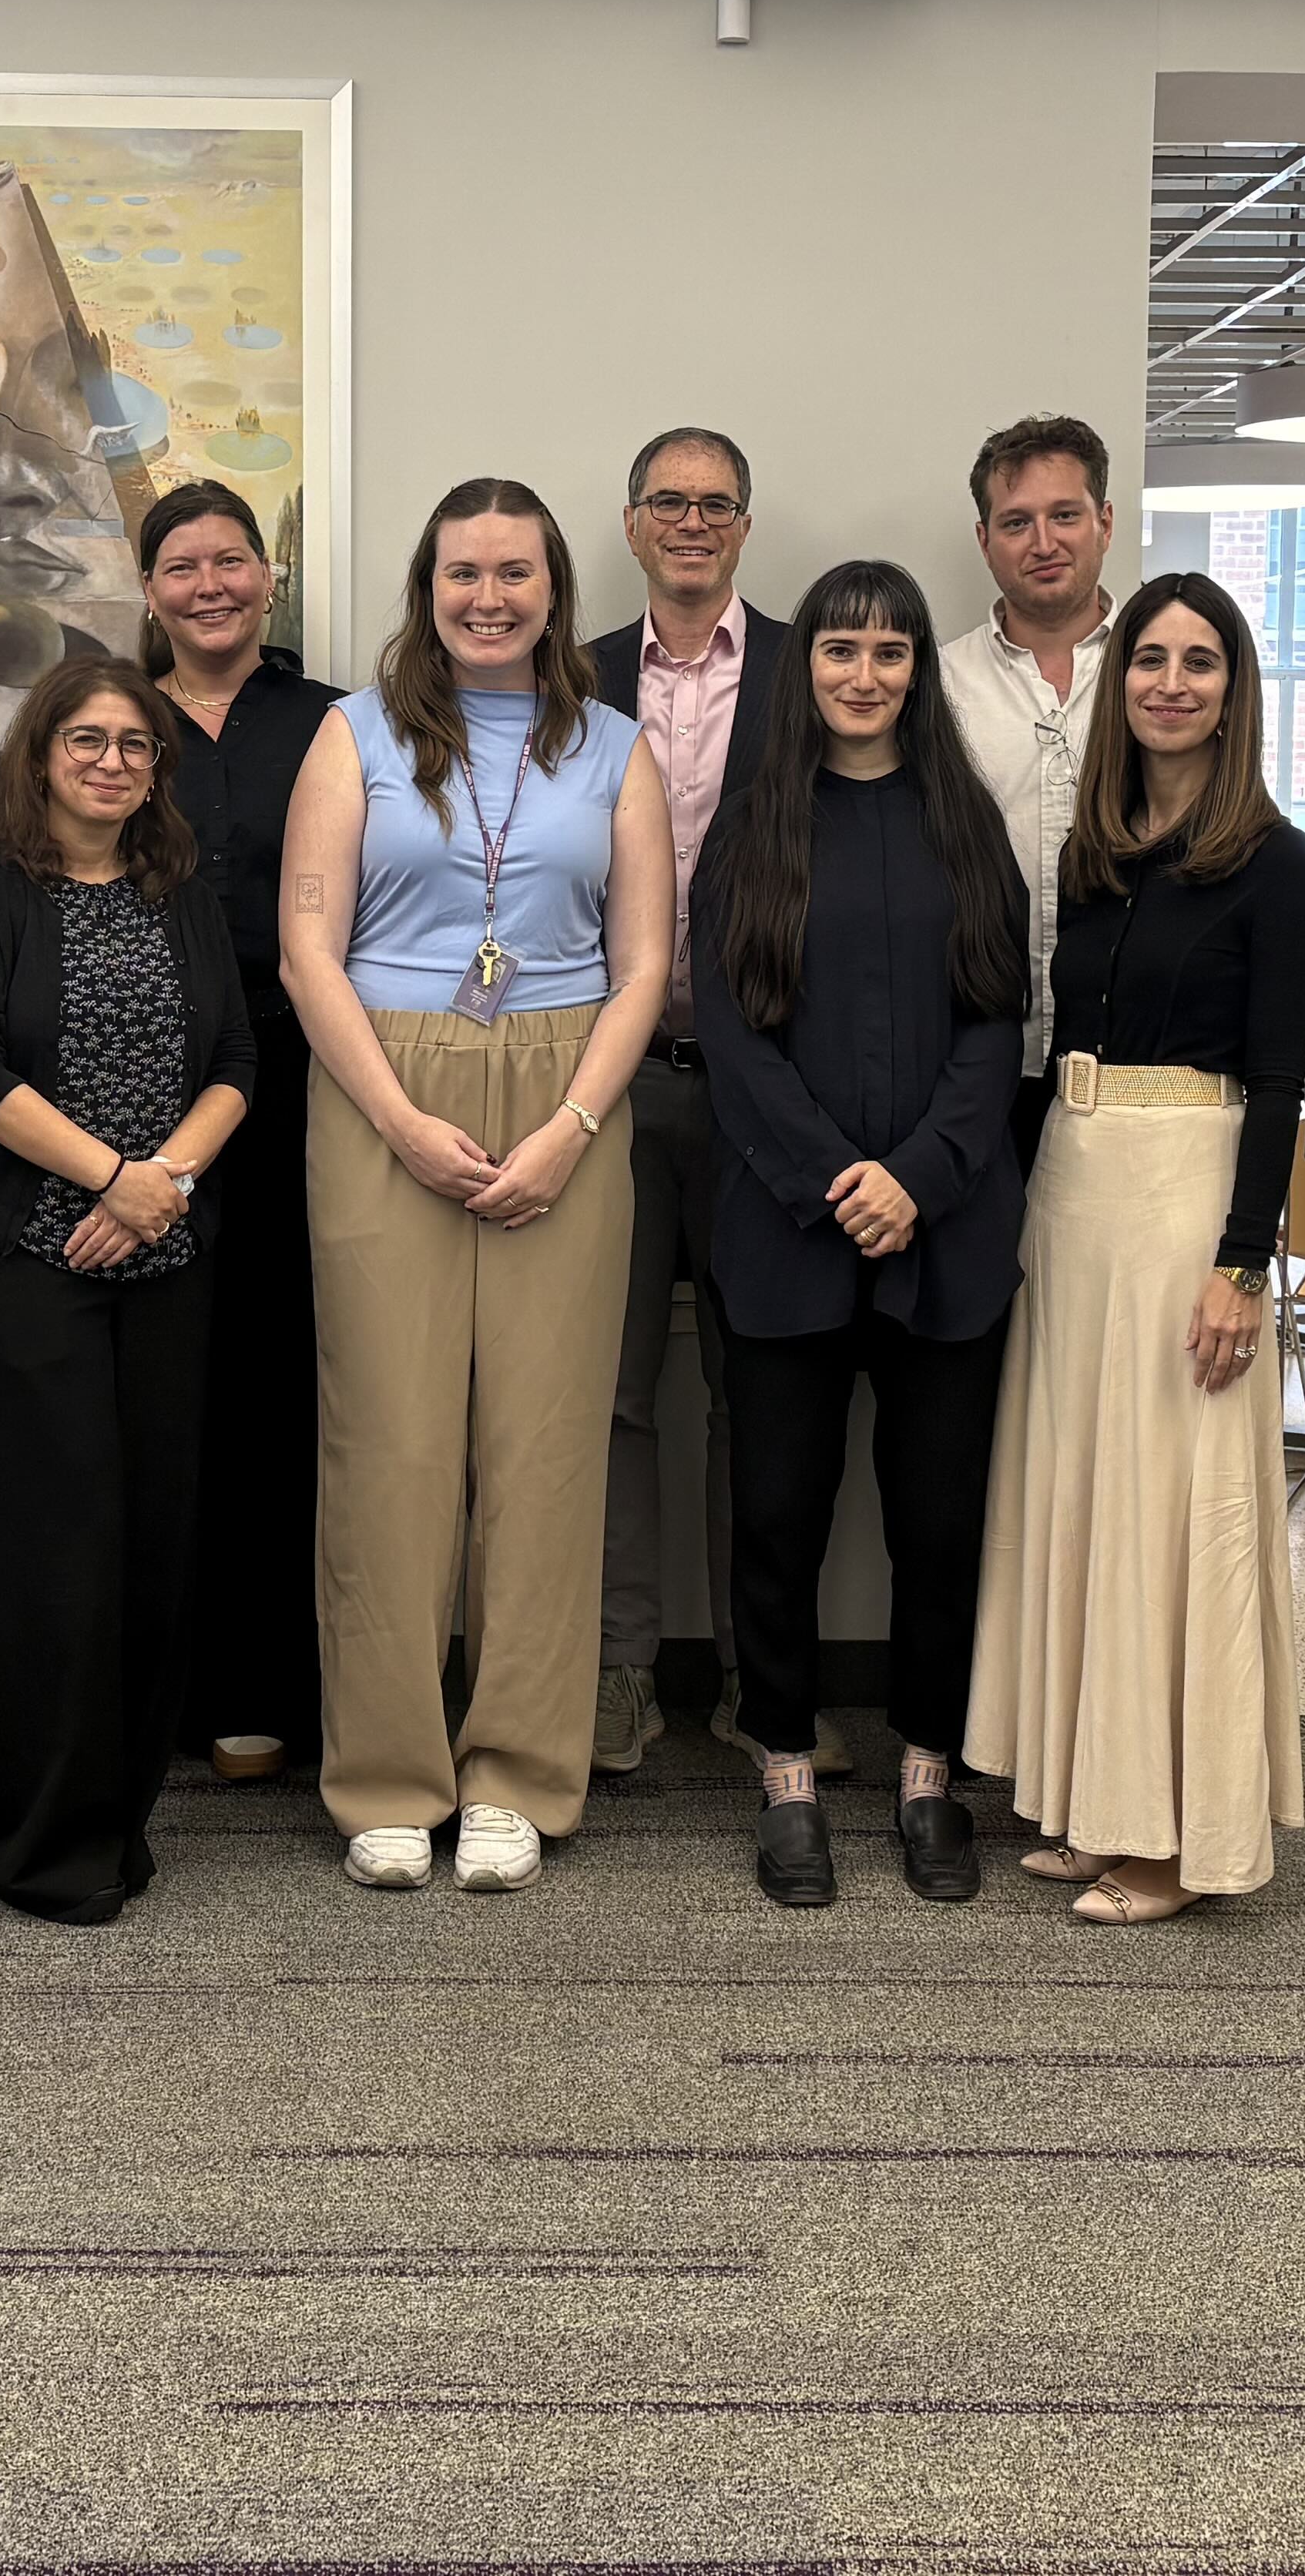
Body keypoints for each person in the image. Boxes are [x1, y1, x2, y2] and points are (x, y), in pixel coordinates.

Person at [279, 476, 667, 1895]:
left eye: (514, 571)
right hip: (386, 1088)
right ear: (425, 587)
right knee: (385, 1443)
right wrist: (398, 1117)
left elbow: (643, 965)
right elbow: (307, 949)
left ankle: (515, 1769)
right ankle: (388, 1772)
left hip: (568, 1091)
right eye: (462, 573)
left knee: (546, 1448)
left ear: (554, 587)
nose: (488, 596)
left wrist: (569, 1124)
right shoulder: (351, 734)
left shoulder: (615, 747)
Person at [965, 571, 1305, 1926]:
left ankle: (1183, 1836)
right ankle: (1093, 1796)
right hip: (1073, 1182)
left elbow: (1280, 1080)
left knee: (1176, 1511)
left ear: (1235, 688)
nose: (1169, 681)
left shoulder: (1275, 862)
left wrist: (1247, 1261)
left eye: (1199, 661)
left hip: (1187, 1194)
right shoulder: (1096, 850)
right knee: (1082, 1493)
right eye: (1148, 661)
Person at [690, 562, 1028, 1909]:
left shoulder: (963, 816)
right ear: (807, 666)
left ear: (914, 670)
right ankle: (782, 1766)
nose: (865, 673)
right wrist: (841, 1177)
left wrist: (922, 1175)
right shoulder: (751, 822)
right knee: (776, 1512)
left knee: (937, 1520)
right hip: (788, 1229)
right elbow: (728, 1028)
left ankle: (928, 1774)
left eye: (890, 650)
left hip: (946, 1231)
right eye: (841, 648)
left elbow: (996, 1015)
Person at [0, 656, 256, 1924]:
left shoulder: (177, 894)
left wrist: (161, 1182)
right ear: (41, 753)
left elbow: (233, 1058)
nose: (114, 760)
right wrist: (112, 1177)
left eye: (137, 744)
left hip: (164, 1263)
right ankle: (43, 1835)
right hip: (27, 1265)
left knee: (152, 1550)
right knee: (48, 1559)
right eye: (90, 739)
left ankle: (118, 1811)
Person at [580, 427, 800, 1780]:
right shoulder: (574, 674)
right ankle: (615, 1673)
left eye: (715, 502)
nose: (691, 520)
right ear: (630, 521)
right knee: (605, 1396)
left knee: (757, 1391)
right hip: (607, 1086)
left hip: (765, 1090)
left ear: (744, 524)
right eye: (669, 499)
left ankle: (753, 1680)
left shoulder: (807, 669)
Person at [134, 478, 342, 1783]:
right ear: (148, 587)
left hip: (305, 1091)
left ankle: (281, 1682)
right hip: (134, 1106)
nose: (209, 582)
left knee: (287, 1387)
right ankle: (171, 1683)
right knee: (161, 1391)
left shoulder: (334, 724)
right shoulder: (107, 721)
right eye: (181, 563)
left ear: (268, 578)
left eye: (231, 560)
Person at [938, 414, 1121, 1115]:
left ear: (1104, 522)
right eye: (1016, 523)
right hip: (974, 1067)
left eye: (1065, 515)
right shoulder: (938, 686)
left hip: (1130, 1068)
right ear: (985, 541)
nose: (1044, 543)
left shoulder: (1161, 678)